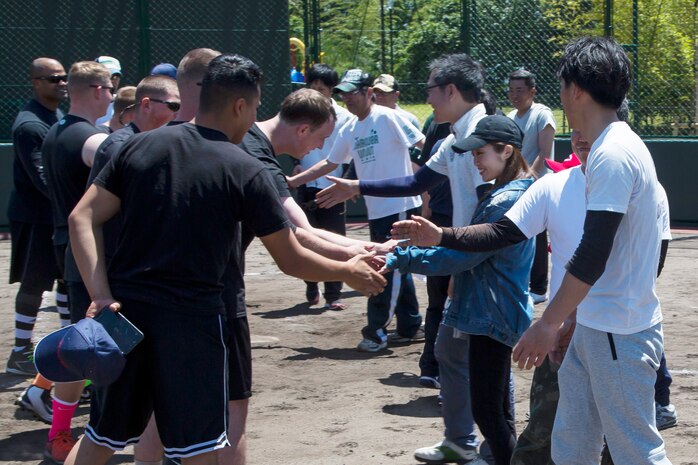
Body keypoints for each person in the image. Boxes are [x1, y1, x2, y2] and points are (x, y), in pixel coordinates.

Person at [63, 53, 386, 465]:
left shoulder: (140, 145)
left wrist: (101, 295)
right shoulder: (244, 168)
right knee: (199, 448)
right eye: (253, 108)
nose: (253, 119)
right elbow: (290, 258)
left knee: (101, 437)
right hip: (193, 325)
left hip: (126, 318)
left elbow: (81, 218)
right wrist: (347, 271)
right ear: (240, 106)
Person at [391, 126, 677, 465]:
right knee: (555, 442)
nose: (582, 138)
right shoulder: (552, 186)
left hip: (610, 332)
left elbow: (648, 264)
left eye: (593, 129)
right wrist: (441, 236)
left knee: (624, 448)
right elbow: (499, 232)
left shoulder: (644, 187)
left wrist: (564, 318)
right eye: (577, 129)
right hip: (561, 334)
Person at [513, 36, 672, 465]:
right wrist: (571, 319)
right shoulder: (610, 146)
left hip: (618, 333)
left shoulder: (614, 153)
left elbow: (593, 252)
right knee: (573, 445)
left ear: (577, 90)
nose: (560, 96)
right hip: (597, 327)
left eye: (562, 85)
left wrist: (548, 322)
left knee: (637, 453)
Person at [385, 115, 536, 465]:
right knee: (494, 410)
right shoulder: (509, 191)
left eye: (481, 153)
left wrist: (401, 256)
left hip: (492, 312)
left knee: (488, 412)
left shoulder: (506, 199)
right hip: (493, 309)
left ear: (507, 151)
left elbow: (461, 258)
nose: (475, 161)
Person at [287, 68, 424, 353]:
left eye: (353, 92)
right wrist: (293, 181)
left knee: (386, 267)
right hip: (377, 209)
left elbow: (423, 144)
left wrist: (426, 181)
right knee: (398, 265)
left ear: (369, 93)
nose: (348, 98)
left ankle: (375, 332)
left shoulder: (388, 118)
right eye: (344, 93)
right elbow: (329, 162)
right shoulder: (351, 127)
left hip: (399, 206)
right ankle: (411, 325)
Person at [40, 60, 113, 463]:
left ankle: (59, 433)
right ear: (98, 90)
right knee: (97, 350)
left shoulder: (56, 131)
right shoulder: (89, 138)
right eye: (109, 87)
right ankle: (89, 434)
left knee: (81, 346)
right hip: (91, 256)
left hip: (71, 251)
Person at [8, 57, 69, 425]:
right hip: (35, 215)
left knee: (65, 277)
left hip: (55, 215)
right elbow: (41, 177)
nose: (60, 83)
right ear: (35, 82)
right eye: (53, 79)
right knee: (35, 281)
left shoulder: (54, 115)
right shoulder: (29, 124)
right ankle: (19, 350)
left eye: (64, 78)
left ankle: (65, 339)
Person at [295, 63, 354, 309]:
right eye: (313, 87)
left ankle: (333, 294)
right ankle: (311, 284)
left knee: (334, 238)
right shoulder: (299, 112)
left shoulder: (345, 118)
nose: (318, 92)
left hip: (333, 185)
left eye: (323, 88)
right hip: (306, 183)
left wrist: (348, 184)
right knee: (307, 237)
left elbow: (353, 154)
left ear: (332, 91)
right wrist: (297, 165)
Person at [507, 68, 556, 305]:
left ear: (532, 91)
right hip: (514, 184)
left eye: (520, 90)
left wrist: (528, 180)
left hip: (536, 184)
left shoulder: (542, 114)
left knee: (536, 234)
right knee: (518, 234)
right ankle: (524, 282)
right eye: (511, 90)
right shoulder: (510, 117)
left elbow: (544, 154)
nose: (515, 95)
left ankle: (539, 288)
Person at [95, 56, 123, 126]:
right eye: (107, 76)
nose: (111, 81)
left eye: (115, 76)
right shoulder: (85, 105)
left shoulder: (124, 104)